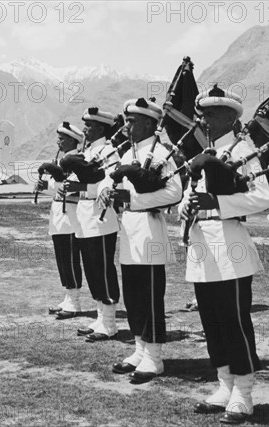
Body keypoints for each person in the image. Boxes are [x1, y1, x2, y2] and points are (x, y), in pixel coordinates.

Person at [179, 86, 269, 424]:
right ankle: (224, 385)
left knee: (234, 321)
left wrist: (219, 203)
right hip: (202, 244)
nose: (204, 119)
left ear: (231, 118)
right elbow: (190, 196)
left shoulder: (242, 151)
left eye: (213, 114)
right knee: (212, 322)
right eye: (203, 113)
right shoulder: (203, 152)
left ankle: (244, 393)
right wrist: (185, 206)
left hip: (230, 245)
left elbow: (264, 197)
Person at [98, 98, 183, 383]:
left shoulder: (162, 153)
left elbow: (174, 193)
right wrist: (107, 191)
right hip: (130, 228)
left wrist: (133, 198)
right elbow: (114, 181)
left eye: (133, 121)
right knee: (133, 294)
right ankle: (139, 349)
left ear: (149, 123)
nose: (127, 126)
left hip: (150, 226)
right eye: (127, 120)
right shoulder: (127, 154)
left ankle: (154, 357)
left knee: (150, 294)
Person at [67, 107, 121, 342]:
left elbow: (110, 181)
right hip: (84, 213)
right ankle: (100, 316)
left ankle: (110, 322)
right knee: (90, 268)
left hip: (101, 214)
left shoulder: (109, 151)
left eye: (89, 125)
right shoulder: (88, 151)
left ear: (100, 128)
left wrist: (82, 188)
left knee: (102, 267)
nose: (85, 129)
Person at [36, 122, 84, 319]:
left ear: (73, 140)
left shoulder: (79, 160)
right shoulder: (62, 159)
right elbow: (58, 188)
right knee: (62, 259)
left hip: (71, 216)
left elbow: (70, 187)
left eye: (63, 138)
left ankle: (75, 301)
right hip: (59, 216)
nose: (59, 141)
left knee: (71, 259)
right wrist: (44, 186)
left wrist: (53, 182)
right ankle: (68, 296)